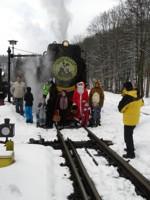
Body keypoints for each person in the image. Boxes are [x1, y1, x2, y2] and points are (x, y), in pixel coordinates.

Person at [118, 81, 144, 159]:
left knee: (127, 137)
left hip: (129, 120)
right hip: (135, 119)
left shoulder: (127, 97)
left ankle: (131, 153)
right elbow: (142, 104)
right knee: (130, 135)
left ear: (126, 88)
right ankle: (130, 147)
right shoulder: (137, 94)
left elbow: (120, 109)